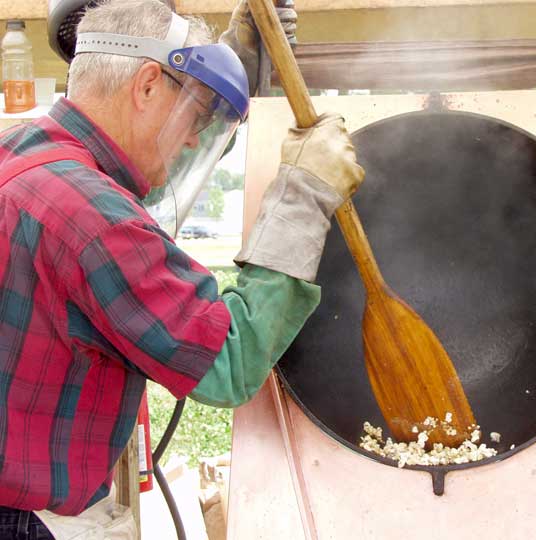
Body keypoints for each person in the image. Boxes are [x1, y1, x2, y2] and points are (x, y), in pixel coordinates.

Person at [0, 0, 364, 538]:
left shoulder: (25, 155)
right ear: (148, 85)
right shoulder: (90, 215)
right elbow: (229, 362)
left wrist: (228, 64)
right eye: (196, 117)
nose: (194, 139)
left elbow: (147, 200)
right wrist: (304, 194)